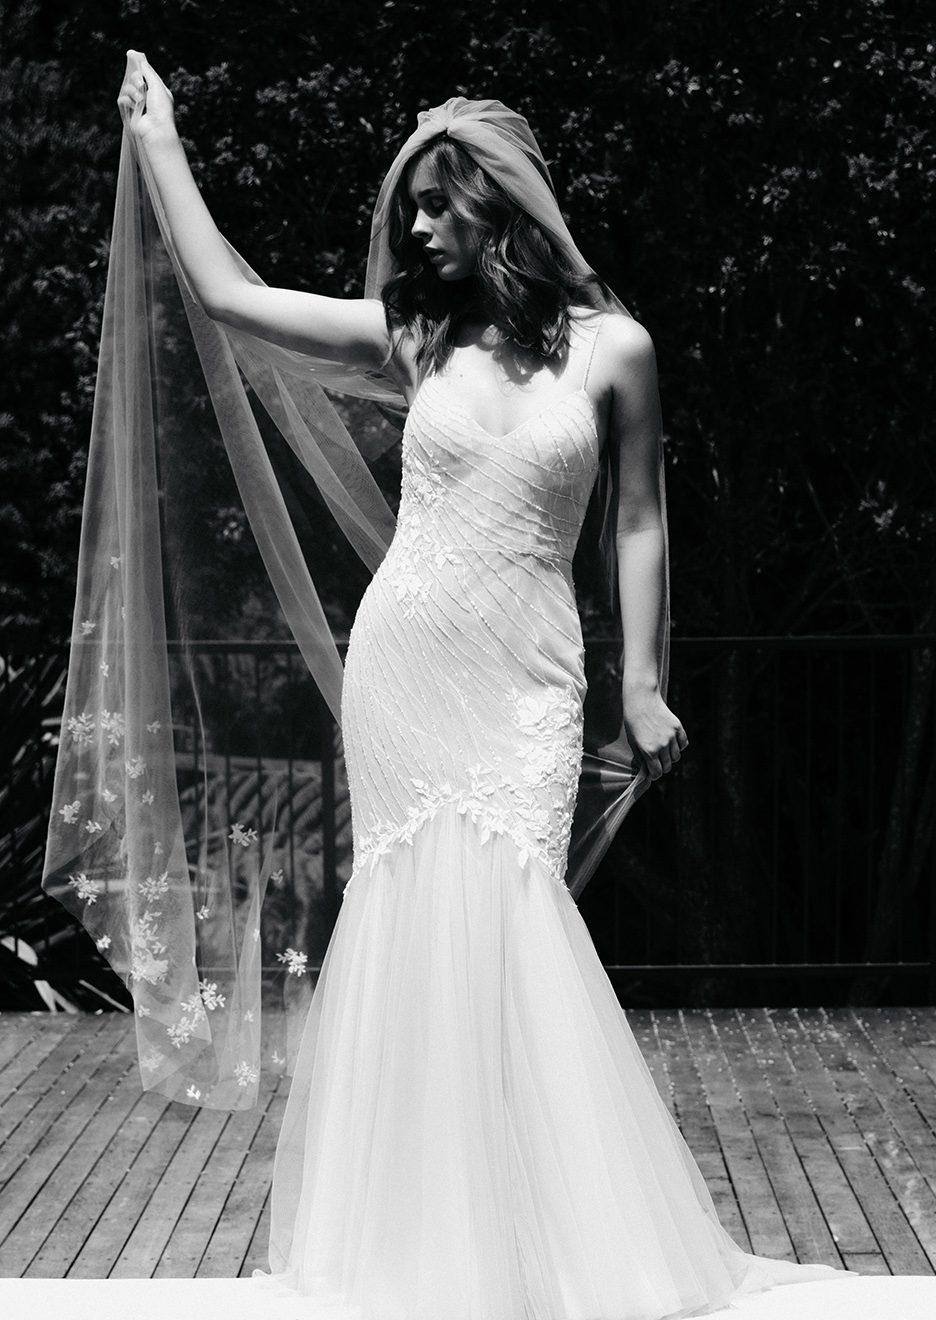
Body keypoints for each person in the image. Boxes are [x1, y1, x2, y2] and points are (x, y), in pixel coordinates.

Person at [26, 50, 867, 1320]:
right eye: (410, 205)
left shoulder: (616, 351)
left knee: (519, 920)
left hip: (528, 675)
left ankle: (543, 1246)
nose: (414, 227)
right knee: (417, 925)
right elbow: (231, 296)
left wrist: (642, 685)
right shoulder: (419, 336)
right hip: (408, 663)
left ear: (499, 205)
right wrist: (162, 147)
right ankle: (424, 1251)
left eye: (435, 202)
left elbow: (637, 523)